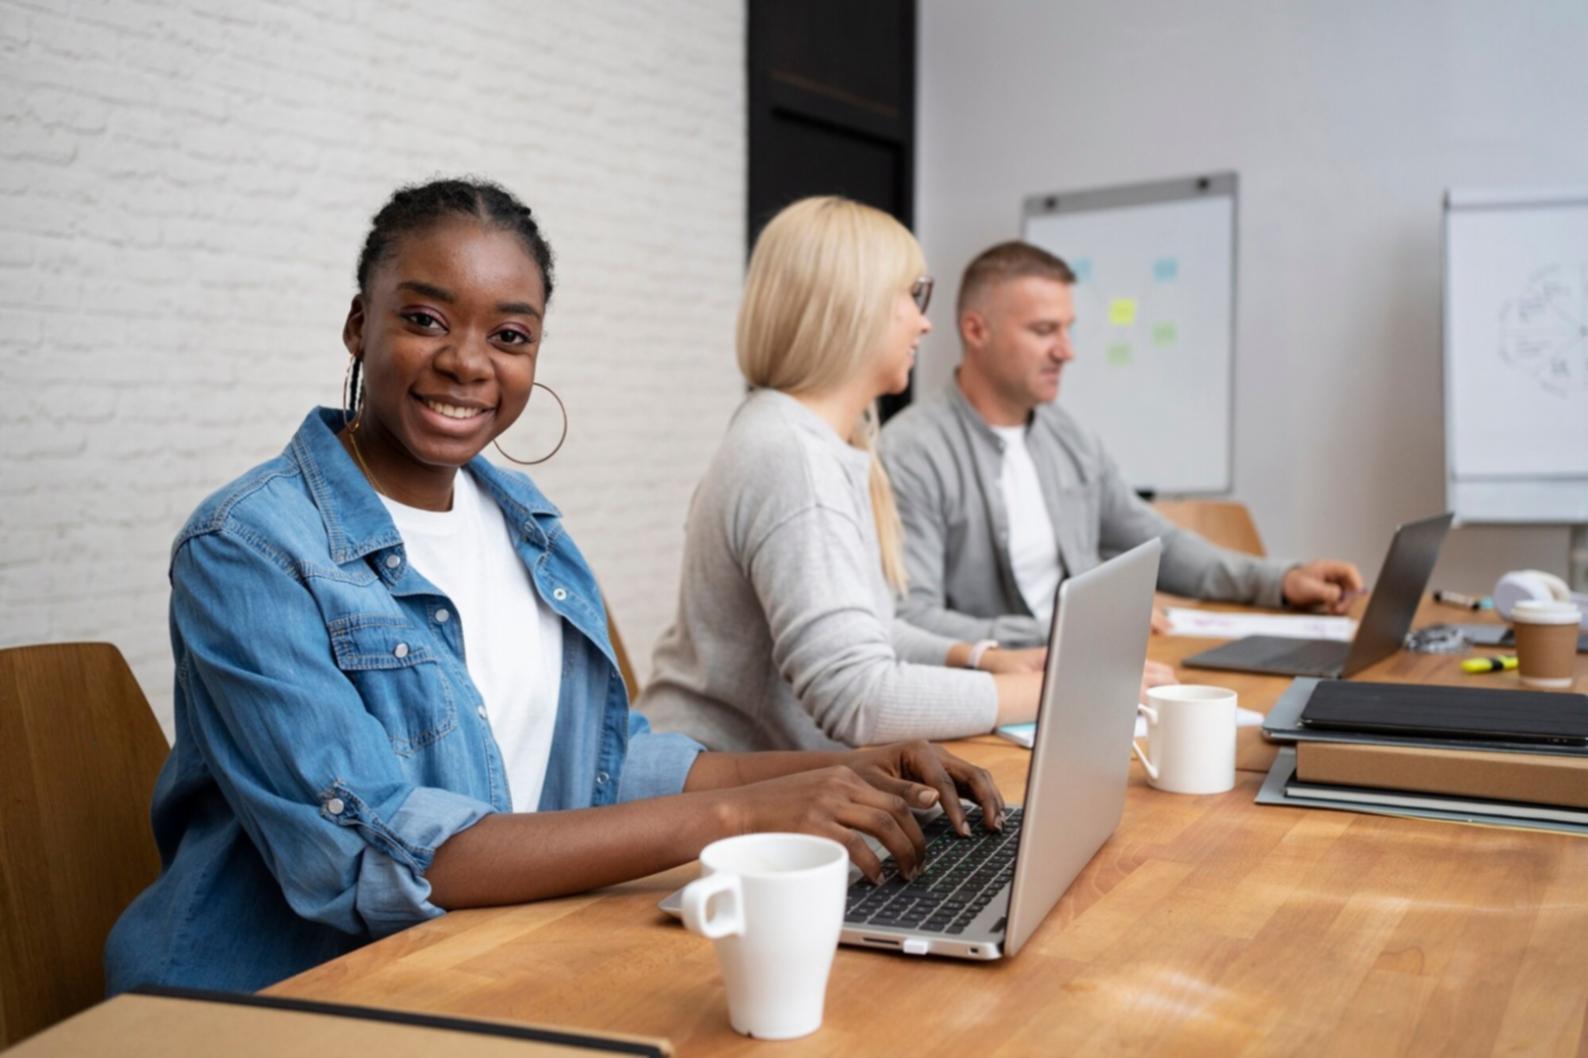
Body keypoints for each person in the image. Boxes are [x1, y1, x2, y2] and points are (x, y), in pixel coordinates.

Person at [104, 180, 1006, 995]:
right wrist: (742, 813)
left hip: (489, 962)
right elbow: (381, 855)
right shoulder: (249, 547)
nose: (467, 362)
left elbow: (605, 766)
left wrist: (842, 768)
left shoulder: (522, 518)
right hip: (286, 998)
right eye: (425, 319)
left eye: (509, 336)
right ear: (356, 324)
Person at [638, 197, 1046, 755]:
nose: (925, 321)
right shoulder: (792, 458)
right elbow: (860, 698)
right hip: (718, 804)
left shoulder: (813, 440)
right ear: (855, 304)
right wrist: (1049, 694)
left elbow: (864, 630)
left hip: (758, 786)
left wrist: (982, 658)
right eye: (913, 294)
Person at [879, 241, 1364, 660]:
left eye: (1068, 329)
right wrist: (1074, 626)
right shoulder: (912, 453)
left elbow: (1157, 545)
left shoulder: (1066, 436)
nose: (1066, 351)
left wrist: (1280, 581)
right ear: (976, 330)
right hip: (1001, 689)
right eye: (1044, 331)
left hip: (1093, 665)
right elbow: (912, 619)